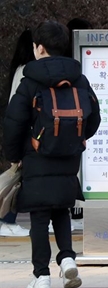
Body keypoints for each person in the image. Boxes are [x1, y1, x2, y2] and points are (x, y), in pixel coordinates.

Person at [4, 20, 102, 288]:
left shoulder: (29, 82)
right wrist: (75, 140)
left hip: (36, 158)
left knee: (39, 217)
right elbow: (94, 117)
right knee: (61, 208)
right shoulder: (79, 79)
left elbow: (14, 122)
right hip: (69, 158)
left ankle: (41, 276)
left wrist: (14, 155)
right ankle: (68, 258)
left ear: (39, 48)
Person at [0, 28, 34, 237]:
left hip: (19, 132)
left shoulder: (19, 69)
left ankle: (7, 219)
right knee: (18, 182)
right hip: (25, 133)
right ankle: (6, 219)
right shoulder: (28, 71)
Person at [64, 17, 94, 231]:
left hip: (63, 125)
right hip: (82, 123)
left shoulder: (62, 63)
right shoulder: (83, 63)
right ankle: (78, 211)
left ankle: (73, 212)